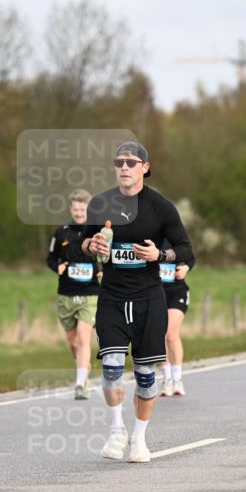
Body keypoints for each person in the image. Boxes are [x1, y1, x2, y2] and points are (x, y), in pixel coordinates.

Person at [82, 141, 192, 463]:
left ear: (145, 166)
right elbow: (85, 241)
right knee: (112, 370)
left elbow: (185, 249)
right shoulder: (101, 203)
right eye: (119, 162)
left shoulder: (161, 207)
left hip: (148, 298)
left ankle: (139, 438)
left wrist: (161, 254)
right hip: (112, 296)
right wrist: (94, 246)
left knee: (146, 377)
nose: (124, 167)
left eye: (131, 162)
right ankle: (116, 430)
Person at [47, 189, 99, 399]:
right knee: (72, 342)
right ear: (71, 209)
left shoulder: (95, 231)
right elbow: (50, 258)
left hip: (90, 293)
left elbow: (105, 255)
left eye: (82, 208)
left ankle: (80, 384)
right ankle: (82, 367)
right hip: (66, 293)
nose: (78, 212)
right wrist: (57, 267)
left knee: (83, 336)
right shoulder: (61, 233)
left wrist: (102, 270)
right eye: (75, 208)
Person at [159, 235, 195, 396]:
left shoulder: (174, 234)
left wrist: (185, 267)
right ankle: (167, 379)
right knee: (159, 335)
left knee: (171, 333)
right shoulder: (146, 233)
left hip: (176, 291)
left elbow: (190, 257)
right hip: (154, 292)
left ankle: (177, 378)